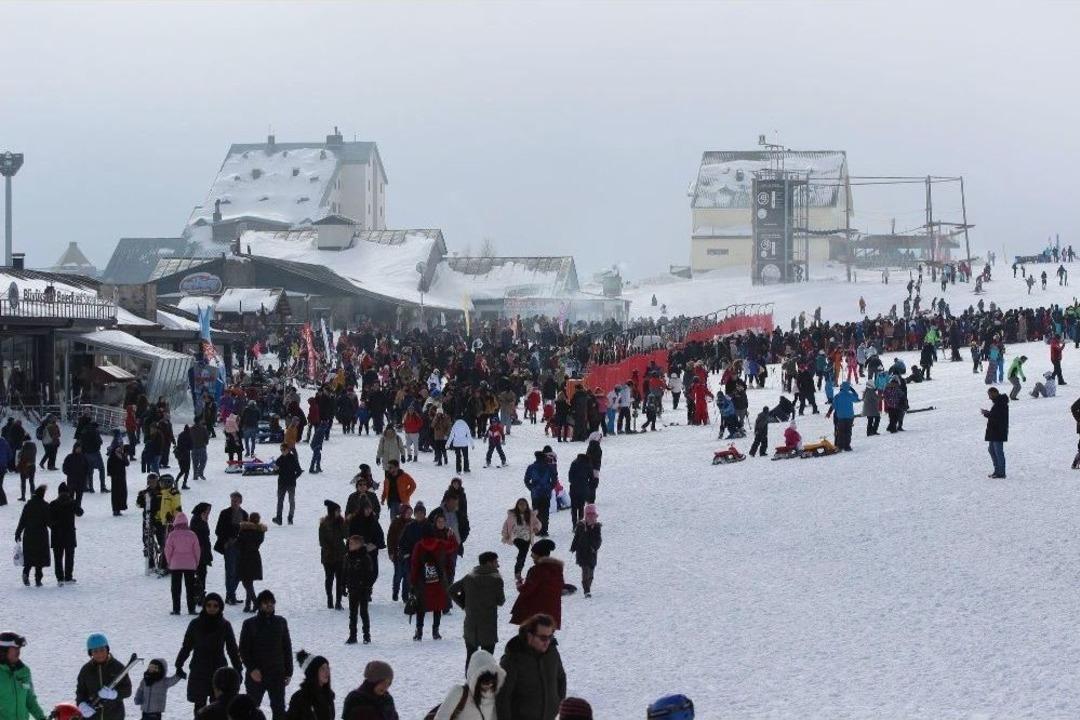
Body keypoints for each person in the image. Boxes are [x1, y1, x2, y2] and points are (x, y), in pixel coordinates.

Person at [175, 592, 243, 715]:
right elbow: (187, 646)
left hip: (218, 670)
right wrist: (179, 664)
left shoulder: (225, 625)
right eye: (209, 605)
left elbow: (232, 649)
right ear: (204, 606)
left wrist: (238, 669)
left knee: (218, 705)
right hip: (199, 669)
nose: (212, 608)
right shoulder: (195, 624)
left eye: (215, 606)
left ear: (220, 607)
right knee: (199, 706)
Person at [496, 614, 566, 720]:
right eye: (543, 638)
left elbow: (561, 678)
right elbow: (502, 698)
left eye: (550, 637)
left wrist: (558, 704)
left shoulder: (552, 652)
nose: (547, 642)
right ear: (530, 636)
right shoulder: (513, 659)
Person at [238, 590, 293, 720]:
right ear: (259, 605)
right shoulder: (249, 624)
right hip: (256, 675)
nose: (269, 605)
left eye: (271, 602)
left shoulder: (281, 622)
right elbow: (243, 650)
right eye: (265, 603)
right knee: (251, 710)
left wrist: (289, 672)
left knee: (279, 710)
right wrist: (252, 669)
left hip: (277, 674)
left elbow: (287, 648)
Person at [449, 551, 506, 674]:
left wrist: (463, 604)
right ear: (489, 563)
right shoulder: (496, 579)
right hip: (488, 624)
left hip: (471, 624)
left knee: (471, 657)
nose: (498, 565)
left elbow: (452, 590)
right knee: (488, 659)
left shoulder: (469, 577)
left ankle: (469, 683)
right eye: (496, 562)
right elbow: (501, 601)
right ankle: (485, 687)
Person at [410, 520, 458, 641]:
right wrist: (451, 536)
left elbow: (415, 564)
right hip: (439, 580)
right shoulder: (441, 543)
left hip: (423, 581)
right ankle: (435, 631)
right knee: (438, 605)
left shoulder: (419, 546)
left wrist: (413, 581)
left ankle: (419, 631)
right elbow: (453, 547)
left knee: (421, 606)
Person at [431, 650, 503, 720]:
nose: (489, 683)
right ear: (474, 676)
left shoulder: (498, 696)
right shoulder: (459, 693)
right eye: (484, 678)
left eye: (492, 677)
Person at [76, 633, 133, 720]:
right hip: (92, 717)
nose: (99, 654)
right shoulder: (86, 670)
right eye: (95, 651)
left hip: (114, 716)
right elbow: (80, 692)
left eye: (102, 650)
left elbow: (127, 691)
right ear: (90, 653)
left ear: (107, 649)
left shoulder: (118, 667)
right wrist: (81, 704)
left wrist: (114, 694)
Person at [509, 539, 563, 629]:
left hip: (535, 612)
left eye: (533, 553)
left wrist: (519, 584)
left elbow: (527, 589)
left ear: (539, 554)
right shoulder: (557, 569)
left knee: (533, 639)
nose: (531, 555)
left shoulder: (537, 570)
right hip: (551, 613)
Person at [0, 632, 45, 720]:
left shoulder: (24, 672)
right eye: (15, 648)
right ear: (3, 650)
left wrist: (42, 718)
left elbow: (30, 700)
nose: (18, 651)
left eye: (19, 648)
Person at [164, 512, 202, 616]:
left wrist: (169, 561)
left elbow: (168, 550)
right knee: (190, 588)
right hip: (190, 565)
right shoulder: (192, 534)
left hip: (176, 565)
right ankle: (191, 609)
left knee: (176, 588)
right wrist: (196, 562)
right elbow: (197, 550)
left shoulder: (172, 535)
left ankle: (176, 609)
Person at [215, 492, 248, 606]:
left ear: (240, 501)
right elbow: (218, 530)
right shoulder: (225, 513)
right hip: (229, 546)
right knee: (230, 571)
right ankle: (230, 595)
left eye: (236, 501)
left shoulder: (244, 514)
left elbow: (247, 532)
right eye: (232, 500)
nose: (233, 503)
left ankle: (231, 593)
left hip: (240, 547)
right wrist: (227, 540)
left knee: (239, 572)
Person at [14, 485, 50, 587]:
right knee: (40, 558)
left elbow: (22, 520)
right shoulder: (45, 506)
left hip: (29, 534)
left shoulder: (28, 505)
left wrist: (18, 533)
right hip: (41, 535)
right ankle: (38, 580)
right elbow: (49, 522)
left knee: (29, 557)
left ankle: (26, 573)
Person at [342, 535, 375, 645]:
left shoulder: (365, 557)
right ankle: (352, 635)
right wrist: (343, 585)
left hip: (363, 589)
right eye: (349, 543)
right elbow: (344, 572)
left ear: (359, 545)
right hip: (352, 588)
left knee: (363, 612)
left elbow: (370, 574)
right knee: (352, 613)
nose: (350, 545)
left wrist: (367, 586)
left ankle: (366, 635)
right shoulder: (347, 557)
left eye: (352, 543)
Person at [49, 482, 82, 585]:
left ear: (58, 493)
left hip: (56, 534)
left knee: (58, 558)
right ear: (67, 492)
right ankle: (68, 577)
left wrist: (54, 527)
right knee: (69, 556)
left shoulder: (53, 504)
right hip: (69, 534)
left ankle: (59, 578)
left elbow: (48, 519)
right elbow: (80, 513)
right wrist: (74, 502)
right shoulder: (72, 503)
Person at [284, 651, 333, 720]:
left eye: (328, 668)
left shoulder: (328, 696)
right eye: (322, 668)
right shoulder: (299, 698)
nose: (327, 672)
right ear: (313, 672)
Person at [501, 498, 541, 582]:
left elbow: (538, 523)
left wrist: (536, 528)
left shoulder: (530, 515)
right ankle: (517, 572)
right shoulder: (512, 515)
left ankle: (518, 571)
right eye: (520, 505)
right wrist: (505, 535)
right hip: (516, 537)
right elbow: (506, 526)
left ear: (527, 506)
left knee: (523, 554)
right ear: (517, 506)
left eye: (524, 505)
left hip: (527, 537)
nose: (522, 507)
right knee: (522, 551)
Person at [569, 504, 602, 598]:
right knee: (585, 571)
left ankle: (588, 586)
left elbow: (598, 540)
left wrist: (594, 547)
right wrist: (573, 547)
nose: (590, 516)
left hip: (592, 553)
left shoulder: (596, 527)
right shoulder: (580, 526)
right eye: (588, 514)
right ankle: (586, 590)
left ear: (595, 515)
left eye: (592, 514)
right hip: (582, 552)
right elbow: (576, 538)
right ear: (585, 515)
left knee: (591, 573)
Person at [318, 501, 346, 610]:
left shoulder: (341, 522)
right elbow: (322, 541)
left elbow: (346, 535)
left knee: (340, 579)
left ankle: (338, 602)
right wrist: (330, 549)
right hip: (328, 556)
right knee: (329, 579)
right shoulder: (324, 524)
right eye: (338, 511)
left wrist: (343, 523)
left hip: (340, 555)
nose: (339, 513)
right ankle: (329, 599)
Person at [238, 514, 267, 613]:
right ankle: (247, 605)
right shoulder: (260, 532)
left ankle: (255, 603)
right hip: (255, 557)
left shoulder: (244, 530)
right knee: (249, 582)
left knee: (246, 582)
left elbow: (239, 543)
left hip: (245, 557)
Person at [523, 452, 556, 537]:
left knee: (536, 512)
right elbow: (554, 480)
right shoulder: (549, 467)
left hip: (535, 494)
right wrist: (549, 488)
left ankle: (537, 530)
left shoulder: (531, 467)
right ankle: (544, 530)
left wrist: (531, 488)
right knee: (545, 512)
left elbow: (526, 480)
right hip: (546, 493)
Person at [385, 504, 412, 603]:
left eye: (410, 513)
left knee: (407, 576)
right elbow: (390, 538)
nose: (409, 514)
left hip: (409, 555)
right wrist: (391, 552)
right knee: (398, 574)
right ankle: (395, 591)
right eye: (407, 513)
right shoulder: (396, 523)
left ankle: (405, 595)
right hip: (398, 554)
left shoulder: (413, 522)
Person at [982, 387, 1009, 479]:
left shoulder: (1001, 403)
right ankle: (997, 470)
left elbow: (998, 417)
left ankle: (1001, 472)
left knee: (998, 452)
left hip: (998, 431)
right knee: (992, 450)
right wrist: (988, 413)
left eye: (990, 395)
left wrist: (987, 414)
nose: (989, 397)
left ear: (995, 393)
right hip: (994, 431)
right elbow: (996, 415)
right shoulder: (998, 403)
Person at [273, 444, 302, 526]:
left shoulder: (292, 459)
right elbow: (276, 472)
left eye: (283, 450)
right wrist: (275, 470)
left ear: (288, 450)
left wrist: (293, 478)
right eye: (281, 450)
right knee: (280, 501)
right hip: (282, 483)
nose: (282, 451)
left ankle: (290, 518)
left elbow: (299, 471)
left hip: (289, 483)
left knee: (291, 501)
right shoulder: (279, 459)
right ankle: (279, 518)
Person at [829, 381, 859, 452]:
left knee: (841, 432)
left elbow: (834, 406)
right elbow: (856, 398)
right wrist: (853, 390)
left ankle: (840, 446)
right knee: (848, 431)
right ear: (848, 388)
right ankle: (847, 446)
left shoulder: (837, 396)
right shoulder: (850, 395)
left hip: (841, 417)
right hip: (850, 416)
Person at [61, 443, 89, 510]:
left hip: (81, 480)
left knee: (79, 496)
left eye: (80, 448)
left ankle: (77, 508)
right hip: (71, 480)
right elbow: (65, 467)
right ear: (74, 448)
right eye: (77, 448)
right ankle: (70, 508)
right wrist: (69, 473)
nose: (79, 449)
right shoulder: (69, 457)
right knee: (70, 495)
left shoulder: (83, 457)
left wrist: (85, 475)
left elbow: (87, 468)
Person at [106, 445, 129, 516]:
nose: (119, 451)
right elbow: (109, 468)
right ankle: (115, 509)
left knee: (122, 493)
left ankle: (120, 508)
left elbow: (127, 463)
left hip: (122, 477)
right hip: (115, 479)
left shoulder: (122, 456)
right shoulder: (111, 458)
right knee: (115, 494)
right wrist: (112, 475)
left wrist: (123, 457)